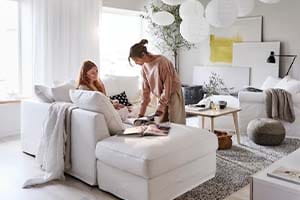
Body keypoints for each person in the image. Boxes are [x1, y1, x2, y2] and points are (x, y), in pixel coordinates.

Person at [128, 39, 186, 124]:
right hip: (161, 96)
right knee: (161, 125)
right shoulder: (144, 68)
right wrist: (140, 115)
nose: (136, 63)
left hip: (173, 93)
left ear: (143, 55)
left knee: (175, 124)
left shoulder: (162, 62)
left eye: (136, 60)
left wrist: (161, 107)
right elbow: (145, 92)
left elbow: (168, 87)